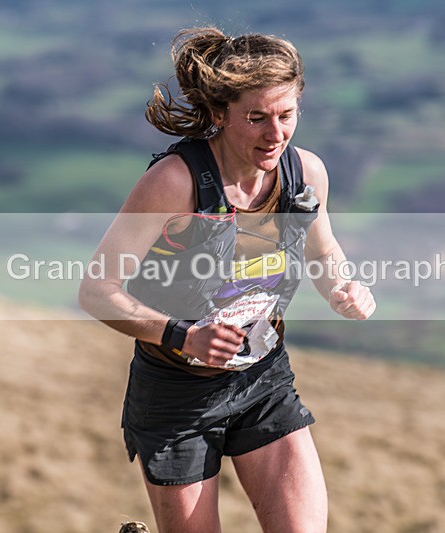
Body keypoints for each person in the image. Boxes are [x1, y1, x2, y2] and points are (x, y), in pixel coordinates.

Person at [79, 26, 375, 533]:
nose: (275, 134)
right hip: (176, 398)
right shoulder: (174, 183)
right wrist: (184, 335)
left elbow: (324, 251)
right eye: (256, 117)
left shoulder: (305, 174)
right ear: (220, 114)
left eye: (286, 115)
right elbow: (95, 291)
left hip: (264, 382)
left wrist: (343, 289)